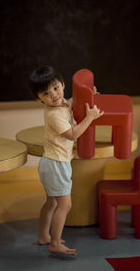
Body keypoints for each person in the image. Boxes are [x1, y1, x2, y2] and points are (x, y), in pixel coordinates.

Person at [29, 66, 104, 256]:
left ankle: (44, 236)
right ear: (39, 99)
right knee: (65, 205)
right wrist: (90, 117)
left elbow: (70, 103)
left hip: (51, 163)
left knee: (52, 203)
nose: (53, 95)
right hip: (56, 165)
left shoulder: (61, 104)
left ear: (62, 84)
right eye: (46, 93)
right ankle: (54, 242)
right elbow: (72, 135)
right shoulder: (54, 115)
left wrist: (89, 95)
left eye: (55, 87)